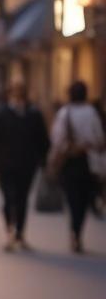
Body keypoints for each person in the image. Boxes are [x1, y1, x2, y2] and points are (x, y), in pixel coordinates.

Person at [0, 80, 49, 250]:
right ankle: (9, 232)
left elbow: (42, 140)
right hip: (5, 164)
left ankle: (20, 233)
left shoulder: (34, 114)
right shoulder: (0, 114)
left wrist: (43, 161)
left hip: (27, 164)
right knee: (8, 198)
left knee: (22, 199)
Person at [50, 80, 105, 253]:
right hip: (88, 163)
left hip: (70, 162)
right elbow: (99, 139)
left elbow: (57, 139)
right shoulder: (92, 113)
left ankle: (74, 231)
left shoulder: (64, 113)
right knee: (82, 199)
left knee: (73, 199)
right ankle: (77, 231)